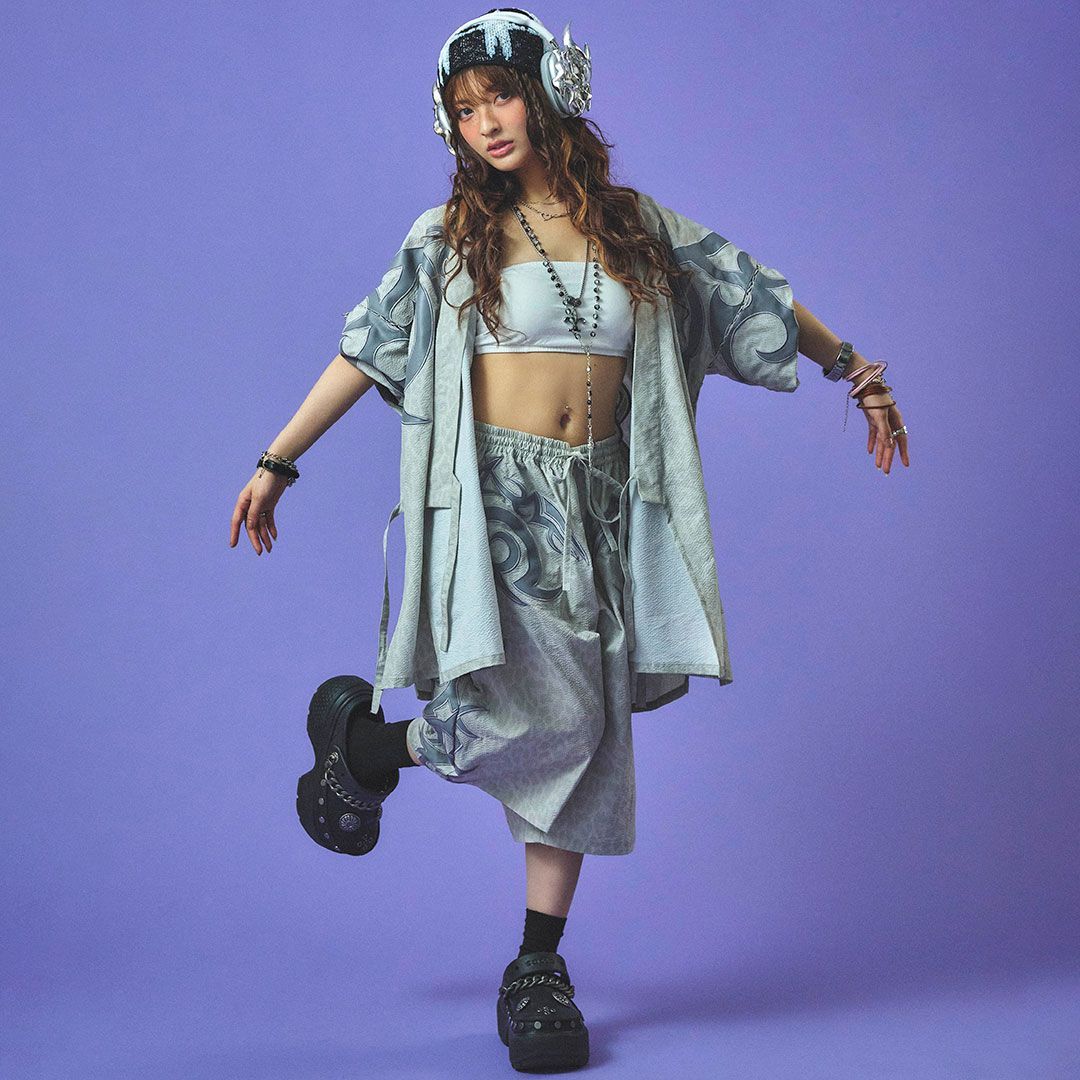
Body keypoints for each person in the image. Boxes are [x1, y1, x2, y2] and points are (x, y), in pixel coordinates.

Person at [228, 8, 910, 1072]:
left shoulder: (638, 230)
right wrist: (279, 459)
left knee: (589, 729)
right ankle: (372, 755)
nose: (487, 123)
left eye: (501, 96)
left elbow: (750, 292)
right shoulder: (448, 238)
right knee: (559, 715)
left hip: (604, 501)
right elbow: (366, 349)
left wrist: (853, 371)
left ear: (549, 94)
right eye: (465, 111)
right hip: (499, 499)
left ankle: (528, 952)